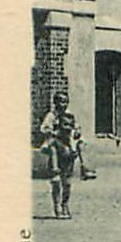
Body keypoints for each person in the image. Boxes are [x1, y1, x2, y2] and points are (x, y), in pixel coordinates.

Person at [39, 90, 84, 220]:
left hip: (68, 150)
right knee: (56, 181)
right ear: (55, 102)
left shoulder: (70, 116)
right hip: (56, 151)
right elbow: (43, 128)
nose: (63, 104)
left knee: (67, 182)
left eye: (65, 101)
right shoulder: (52, 116)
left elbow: (76, 128)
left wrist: (76, 132)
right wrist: (55, 131)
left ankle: (65, 204)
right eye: (60, 101)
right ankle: (57, 206)